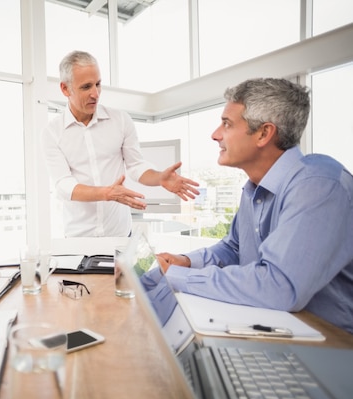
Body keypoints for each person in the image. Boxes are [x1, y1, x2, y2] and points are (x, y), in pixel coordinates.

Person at [147, 78, 353, 334]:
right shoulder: (254, 189)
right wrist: (187, 262)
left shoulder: (320, 185)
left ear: (264, 133)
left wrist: (181, 276)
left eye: (227, 124)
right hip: (275, 326)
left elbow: (280, 286)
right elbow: (234, 248)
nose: (215, 135)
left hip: (331, 343)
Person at [42, 50, 200, 238]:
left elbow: (136, 166)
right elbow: (64, 185)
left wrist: (159, 178)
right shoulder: (52, 132)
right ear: (65, 89)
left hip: (120, 235)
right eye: (86, 87)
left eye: (98, 84)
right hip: (78, 237)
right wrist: (107, 193)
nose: (95, 93)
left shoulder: (120, 120)